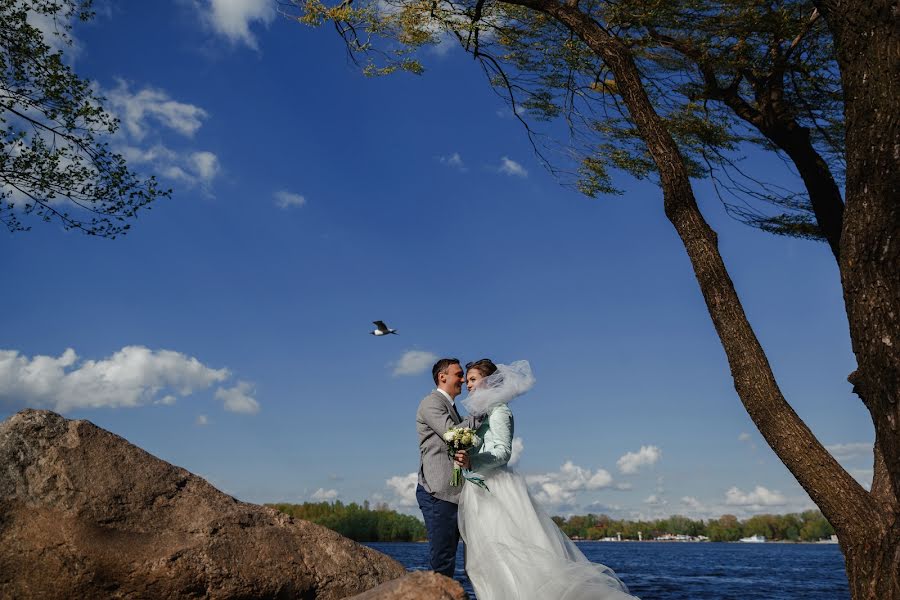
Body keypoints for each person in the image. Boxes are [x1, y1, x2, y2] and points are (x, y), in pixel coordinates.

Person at [455, 359, 639, 600]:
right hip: (479, 487)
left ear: (488, 382)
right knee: (483, 560)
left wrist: (472, 461)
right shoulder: (482, 414)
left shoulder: (500, 411)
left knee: (508, 554)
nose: (468, 385)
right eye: (467, 380)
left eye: (472, 379)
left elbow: (502, 452)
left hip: (497, 489)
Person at [416, 357, 479, 582]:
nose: (463, 379)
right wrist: (480, 415)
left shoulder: (451, 408)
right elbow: (453, 435)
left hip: (453, 495)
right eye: (459, 374)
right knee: (442, 560)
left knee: (449, 561)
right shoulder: (431, 403)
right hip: (437, 493)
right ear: (442, 377)